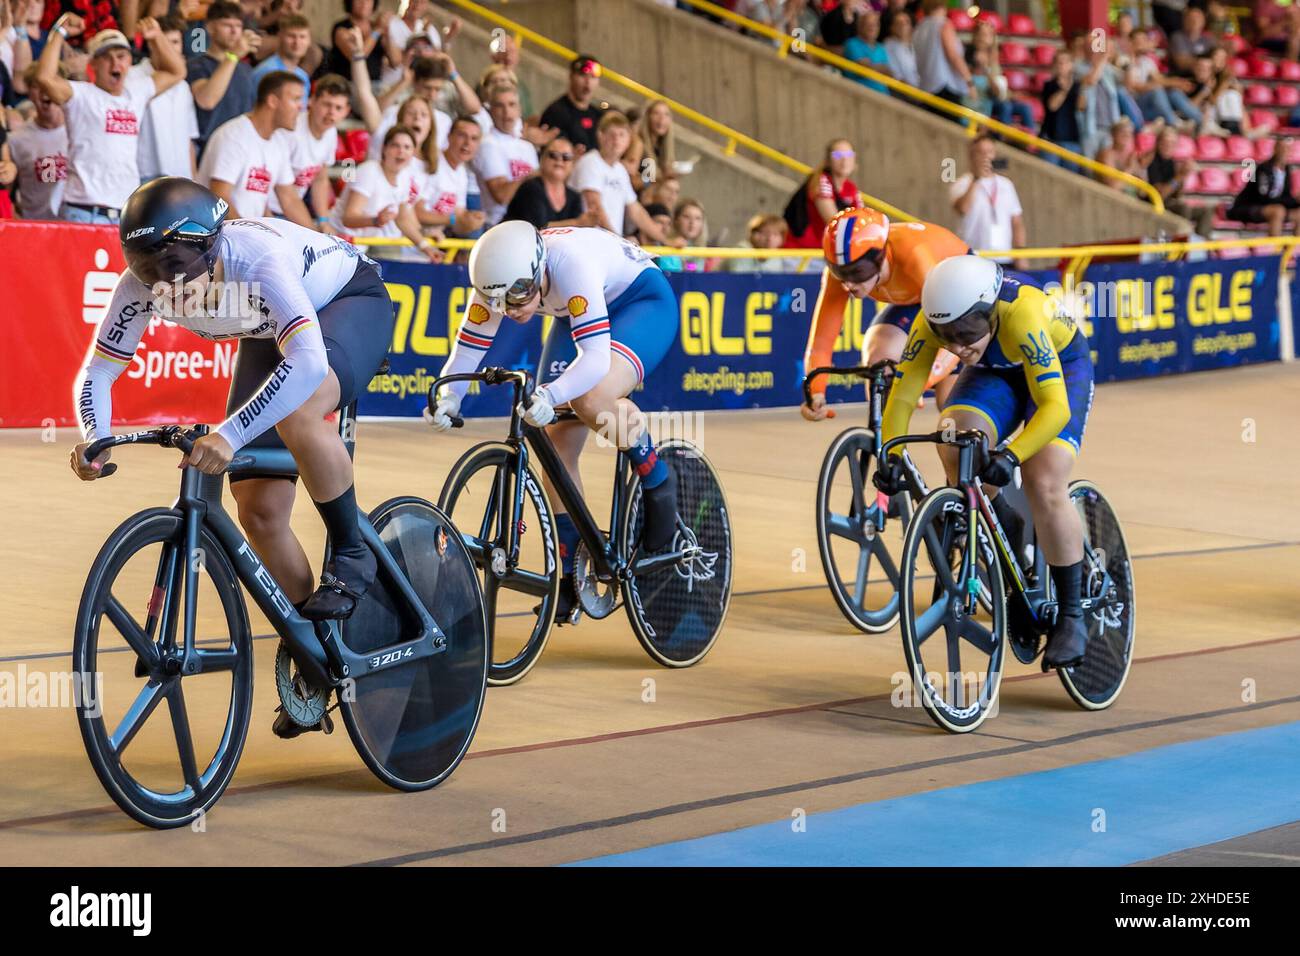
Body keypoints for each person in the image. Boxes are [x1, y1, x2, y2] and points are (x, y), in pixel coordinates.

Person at [71, 178, 398, 732]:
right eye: (150, 269)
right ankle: (319, 653)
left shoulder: (257, 257)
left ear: (211, 242)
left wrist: (229, 435)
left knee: (298, 413)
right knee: (259, 512)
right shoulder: (141, 284)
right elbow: (100, 369)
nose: (166, 287)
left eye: (175, 264)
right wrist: (94, 434)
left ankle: (351, 550)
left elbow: (310, 364)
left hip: (344, 303)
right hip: (266, 329)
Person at [428, 221, 681, 623]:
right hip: (574, 312)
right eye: (501, 302)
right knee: (554, 446)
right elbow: (469, 345)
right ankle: (571, 575)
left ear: (539, 267)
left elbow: (595, 359)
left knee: (591, 397)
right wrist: (448, 398)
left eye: (520, 296)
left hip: (640, 302)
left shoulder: (571, 266)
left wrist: (549, 394)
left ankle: (657, 478)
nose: (511, 309)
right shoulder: (498, 278)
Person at [874, 256, 1095, 669]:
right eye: (948, 336)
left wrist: (1011, 456)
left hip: (1061, 368)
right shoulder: (933, 322)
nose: (958, 346)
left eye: (967, 333)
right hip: (996, 371)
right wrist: (891, 453)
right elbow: (903, 395)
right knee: (956, 442)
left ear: (989, 310)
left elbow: (1054, 409)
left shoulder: (1022, 313)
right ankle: (1002, 521)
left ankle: (1071, 615)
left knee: (1042, 479)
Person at [801, 206, 969, 422]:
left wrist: (919, 384)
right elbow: (821, 344)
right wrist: (816, 393)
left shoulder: (914, 255)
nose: (848, 284)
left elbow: (957, 337)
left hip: (960, 296)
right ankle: (885, 446)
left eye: (857, 272)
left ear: (880, 258)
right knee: (880, 361)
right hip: (915, 297)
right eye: (840, 273)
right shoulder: (843, 273)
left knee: (951, 409)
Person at [35, 16, 186, 223]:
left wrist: (157, 37)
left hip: (125, 210)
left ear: (129, 62)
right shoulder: (80, 94)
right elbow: (44, 78)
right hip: (83, 209)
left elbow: (177, 71)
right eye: (107, 57)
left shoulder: (137, 92)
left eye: (121, 56)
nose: (116, 63)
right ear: (93, 64)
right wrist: (59, 33)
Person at [198, 71, 313, 224]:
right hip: (217, 234)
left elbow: (290, 199)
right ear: (272, 101)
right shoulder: (234, 135)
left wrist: (317, 238)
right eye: (296, 99)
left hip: (243, 232)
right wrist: (250, 235)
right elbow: (219, 195)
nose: (302, 107)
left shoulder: (279, 141)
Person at [332, 124, 442, 259]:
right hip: (337, 243)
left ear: (413, 153)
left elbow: (402, 219)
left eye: (407, 147)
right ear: (384, 149)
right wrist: (376, 220)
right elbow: (348, 219)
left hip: (359, 246)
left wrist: (424, 246)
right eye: (395, 145)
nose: (401, 151)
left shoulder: (405, 176)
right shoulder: (369, 171)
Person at [269, 73, 351, 226]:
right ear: (312, 101)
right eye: (327, 104)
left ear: (346, 112)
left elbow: (320, 179)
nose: (331, 113)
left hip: (291, 212)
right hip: (268, 210)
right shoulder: (290, 130)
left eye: (338, 108)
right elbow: (278, 188)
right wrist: (311, 228)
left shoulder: (330, 133)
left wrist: (323, 220)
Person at [571, 110, 666, 242]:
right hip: (587, 241)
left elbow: (636, 211)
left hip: (608, 242)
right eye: (612, 135)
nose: (616, 140)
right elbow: (595, 207)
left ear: (628, 140)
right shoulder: (590, 162)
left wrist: (666, 241)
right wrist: (620, 241)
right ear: (600, 136)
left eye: (622, 135)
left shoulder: (620, 170)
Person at [186, 0, 260, 157]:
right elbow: (207, 100)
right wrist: (232, 56)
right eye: (227, 25)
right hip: (207, 150)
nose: (234, 32)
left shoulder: (246, 69)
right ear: (210, 28)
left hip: (241, 150)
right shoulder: (196, 66)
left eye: (238, 26)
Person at [136, 14, 199, 182]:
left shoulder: (184, 87)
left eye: (176, 42)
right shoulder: (133, 77)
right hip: (143, 177)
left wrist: (194, 182)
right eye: (166, 41)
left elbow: (189, 140)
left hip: (181, 178)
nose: (172, 49)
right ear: (151, 42)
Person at [950, 134, 1026, 266]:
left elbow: (1017, 222)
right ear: (972, 156)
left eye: (989, 152)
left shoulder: (1006, 184)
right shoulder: (962, 183)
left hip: (1003, 258)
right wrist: (976, 179)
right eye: (981, 152)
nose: (986, 156)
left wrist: (1020, 254)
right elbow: (962, 209)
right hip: (973, 257)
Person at [473, 85, 538, 227]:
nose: (507, 112)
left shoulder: (527, 147)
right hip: (497, 225)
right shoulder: (487, 144)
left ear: (519, 110)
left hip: (527, 221)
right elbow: (502, 196)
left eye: (512, 105)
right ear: (490, 111)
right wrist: (531, 176)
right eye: (499, 106)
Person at [503, 135, 597, 229]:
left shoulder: (574, 196)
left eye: (566, 157)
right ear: (542, 159)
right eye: (553, 155)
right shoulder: (531, 188)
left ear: (572, 164)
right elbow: (538, 229)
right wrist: (577, 223)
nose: (559, 160)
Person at [8, 63, 65, 218]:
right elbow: (6, 193)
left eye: (52, 83)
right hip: (35, 229)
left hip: (76, 226)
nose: (46, 91)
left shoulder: (80, 131)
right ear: (29, 94)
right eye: (37, 86)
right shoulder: (16, 140)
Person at [783, 137, 861, 248]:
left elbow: (862, 219)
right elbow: (835, 222)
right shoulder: (821, 180)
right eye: (837, 155)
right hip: (803, 253)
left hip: (825, 251)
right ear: (828, 161)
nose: (844, 160)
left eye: (848, 155)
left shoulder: (850, 187)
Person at [1226, 137, 1300, 236]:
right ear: (1276, 149)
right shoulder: (1263, 169)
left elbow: (1285, 195)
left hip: (1272, 206)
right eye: (1283, 149)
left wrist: (1295, 201)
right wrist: (1291, 201)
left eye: (1288, 150)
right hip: (1248, 207)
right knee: (1278, 211)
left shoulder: (1286, 170)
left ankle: (1294, 248)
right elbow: (1264, 197)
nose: (1286, 153)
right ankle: (1275, 248)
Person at [538, 54, 606, 154]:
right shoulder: (557, 112)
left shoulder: (598, 115)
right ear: (571, 77)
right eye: (582, 75)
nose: (588, 82)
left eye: (593, 77)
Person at [913, 0, 975, 109]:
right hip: (944, 86)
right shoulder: (943, 24)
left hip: (925, 87)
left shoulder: (919, 28)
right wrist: (969, 82)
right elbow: (953, 55)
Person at [842, 8, 890, 92]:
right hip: (859, 95)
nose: (872, 28)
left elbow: (889, 72)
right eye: (868, 24)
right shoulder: (852, 44)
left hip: (883, 96)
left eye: (875, 25)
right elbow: (865, 67)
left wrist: (873, 66)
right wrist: (880, 68)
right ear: (860, 26)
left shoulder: (881, 48)